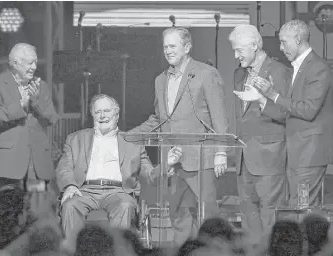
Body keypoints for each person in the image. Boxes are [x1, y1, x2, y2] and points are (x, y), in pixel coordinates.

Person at [130, 27, 229, 246]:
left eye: (172, 46)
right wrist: (128, 135)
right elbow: (159, 119)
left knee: (208, 216)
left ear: (187, 47)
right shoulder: (160, 80)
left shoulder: (205, 73)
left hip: (200, 158)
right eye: (165, 46)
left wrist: (221, 152)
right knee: (178, 216)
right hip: (172, 160)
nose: (168, 51)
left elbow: (219, 117)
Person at [56, 94, 182, 241]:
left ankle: (119, 249)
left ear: (116, 114)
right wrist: (70, 185)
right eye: (98, 112)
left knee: (125, 205)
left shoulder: (131, 142)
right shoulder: (76, 139)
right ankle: (72, 251)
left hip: (118, 191)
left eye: (107, 111)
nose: (102, 116)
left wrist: (166, 164)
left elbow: (149, 174)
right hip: (84, 190)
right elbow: (64, 167)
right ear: (92, 115)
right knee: (70, 205)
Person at [235, 20, 333, 208]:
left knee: (303, 207)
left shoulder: (318, 68)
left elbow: (308, 110)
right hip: (297, 154)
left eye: (283, 42)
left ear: (297, 39)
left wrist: (273, 94)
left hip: (308, 154)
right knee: (298, 207)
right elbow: (290, 111)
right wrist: (262, 100)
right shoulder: (299, 66)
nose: (280, 48)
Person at [230, 25, 290, 244]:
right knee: (248, 216)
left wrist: (262, 100)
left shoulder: (279, 71)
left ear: (254, 46)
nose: (236, 56)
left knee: (271, 216)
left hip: (269, 155)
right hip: (244, 157)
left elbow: (286, 113)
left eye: (239, 50)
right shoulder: (239, 73)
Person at [0, 43, 58, 197]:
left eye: (36, 62)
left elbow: (51, 119)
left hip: (36, 165)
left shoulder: (40, 86)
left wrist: (36, 104)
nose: (34, 67)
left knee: (37, 212)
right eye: (30, 63)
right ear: (15, 64)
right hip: (9, 164)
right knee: (10, 213)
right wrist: (20, 106)